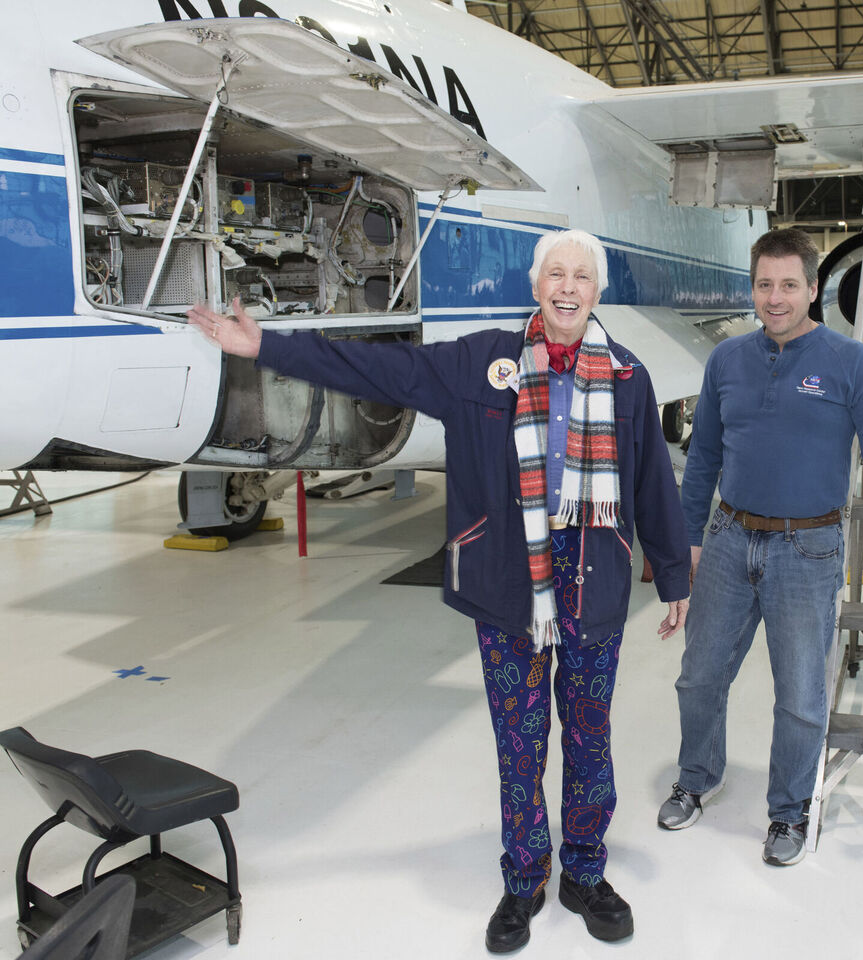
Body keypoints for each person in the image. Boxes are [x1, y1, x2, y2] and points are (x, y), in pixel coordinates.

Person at [188, 229, 690, 952]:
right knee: (518, 745)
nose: (568, 286)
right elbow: (378, 370)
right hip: (505, 591)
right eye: (556, 273)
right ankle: (524, 881)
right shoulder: (479, 363)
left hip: (594, 588)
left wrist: (672, 573)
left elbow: (651, 484)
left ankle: (583, 871)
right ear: (536, 283)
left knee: (589, 741)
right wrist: (265, 348)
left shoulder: (629, 377)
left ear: (598, 290)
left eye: (582, 275)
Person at [656, 227, 863, 866]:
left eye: (789, 285)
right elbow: (704, 455)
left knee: (799, 693)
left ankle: (789, 811)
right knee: (699, 675)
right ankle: (697, 775)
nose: (775, 298)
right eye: (764, 285)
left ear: (814, 288)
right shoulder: (727, 361)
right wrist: (686, 539)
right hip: (727, 540)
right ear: (753, 288)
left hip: (809, 550)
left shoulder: (851, 363)